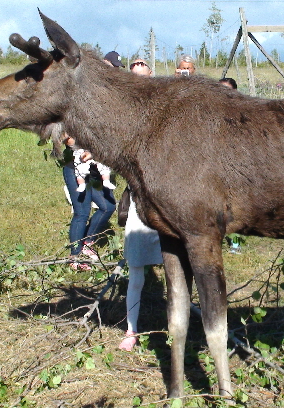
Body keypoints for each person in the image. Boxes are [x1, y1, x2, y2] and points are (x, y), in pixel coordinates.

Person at [118, 58, 164, 351]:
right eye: (133, 77)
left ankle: (178, 323)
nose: (138, 82)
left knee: (177, 268)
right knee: (136, 270)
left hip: (167, 202)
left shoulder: (162, 110)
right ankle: (131, 330)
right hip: (139, 201)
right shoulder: (122, 116)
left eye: (142, 77)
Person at [61, 133, 116, 269]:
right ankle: (75, 256)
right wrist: (91, 149)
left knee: (108, 206)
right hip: (75, 167)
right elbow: (67, 140)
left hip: (95, 168)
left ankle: (87, 242)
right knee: (82, 212)